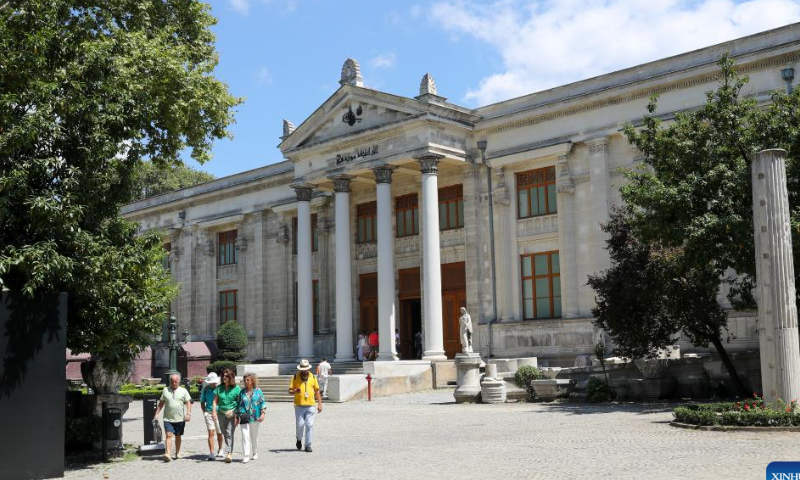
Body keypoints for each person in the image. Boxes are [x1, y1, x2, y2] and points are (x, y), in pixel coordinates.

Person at [153, 373, 192, 462]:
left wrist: (188, 414)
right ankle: (168, 454)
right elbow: (161, 403)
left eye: (175, 381)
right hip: (168, 418)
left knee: (178, 436)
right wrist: (156, 414)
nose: (174, 383)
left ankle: (177, 453)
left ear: (179, 381)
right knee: (168, 435)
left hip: (180, 418)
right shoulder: (165, 390)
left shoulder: (184, 390)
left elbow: (188, 402)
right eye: (172, 381)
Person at [288, 359, 322, 452]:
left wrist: (319, 404)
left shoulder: (313, 377)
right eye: (303, 369)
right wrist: (295, 391)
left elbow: (317, 391)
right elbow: (289, 391)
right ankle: (299, 439)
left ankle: (308, 445)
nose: (304, 371)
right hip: (299, 405)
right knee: (300, 425)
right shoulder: (295, 377)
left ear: (308, 369)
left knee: (309, 425)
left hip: (311, 405)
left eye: (306, 369)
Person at [212, 368, 241, 463]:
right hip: (221, 413)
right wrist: (214, 412)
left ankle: (229, 453)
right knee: (224, 432)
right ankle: (229, 449)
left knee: (229, 433)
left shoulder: (237, 389)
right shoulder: (219, 388)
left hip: (232, 414)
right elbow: (215, 401)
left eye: (226, 376)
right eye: (223, 376)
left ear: (231, 377)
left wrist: (236, 414)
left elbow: (239, 403)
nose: (224, 377)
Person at [238, 373, 266, 463]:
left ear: (252, 381)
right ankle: (246, 455)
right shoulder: (242, 392)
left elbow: (263, 403)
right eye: (245, 380)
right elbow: (238, 404)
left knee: (253, 437)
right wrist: (237, 415)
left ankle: (255, 452)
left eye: (248, 380)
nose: (246, 382)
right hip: (244, 416)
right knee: (245, 435)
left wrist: (263, 414)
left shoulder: (258, 391)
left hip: (255, 417)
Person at [200, 372, 224, 461]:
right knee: (211, 432)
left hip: (219, 413)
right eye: (212, 383)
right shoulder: (206, 389)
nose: (213, 384)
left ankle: (221, 448)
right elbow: (202, 401)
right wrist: (205, 412)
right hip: (209, 413)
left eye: (214, 382)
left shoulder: (220, 389)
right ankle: (211, 453)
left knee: (219, 432)